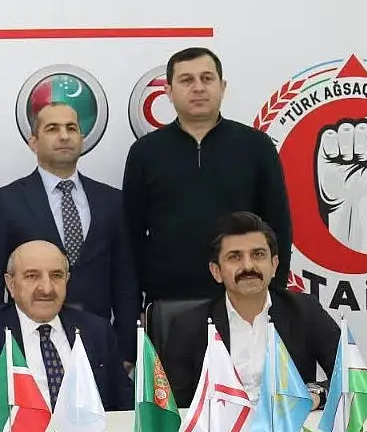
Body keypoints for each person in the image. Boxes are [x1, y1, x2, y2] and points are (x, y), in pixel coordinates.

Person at [123, 47, 293, 307]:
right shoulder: (145, 152)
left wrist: (275, 298)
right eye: (186, 80)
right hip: (169, 302)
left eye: (207, 78)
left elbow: (278, 226)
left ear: (222, 87)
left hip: (244, 298)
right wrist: (135, 306)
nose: (198, 88)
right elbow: (131, 236)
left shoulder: (255, 146)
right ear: (168, 91)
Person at [0, 102, 138, 366]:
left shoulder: (111, 200)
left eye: (71, 128)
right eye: (52, 129)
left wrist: (126, 349)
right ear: (33, 142)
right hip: (30, 345)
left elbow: (125, 279)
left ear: (82, 138)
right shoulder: (7, 201)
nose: (64, 136)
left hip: (98, 346)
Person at [161, 212, 339, 408]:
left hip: (288, 425)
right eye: (234, 257)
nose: (248, 266)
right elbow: (171, 404)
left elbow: (354, 376)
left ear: (274, 265)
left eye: (258, 255)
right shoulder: (189, 326)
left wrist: (315, 395)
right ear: (216, 271)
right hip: (221, 426)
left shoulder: (303, 311)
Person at [0, 241, 132, 413]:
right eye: (32, 276)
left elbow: (125, 405)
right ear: (11, 284)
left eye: (56, 276)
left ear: (67, 280)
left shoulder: (97, 332)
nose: (47, 289)